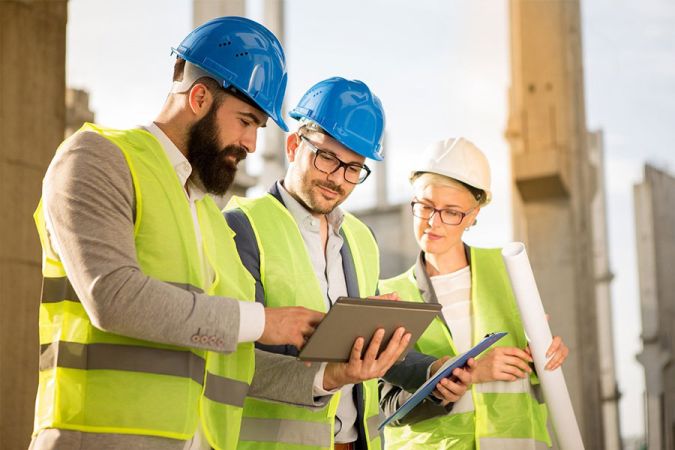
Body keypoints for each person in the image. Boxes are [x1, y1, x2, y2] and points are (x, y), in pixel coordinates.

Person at [31, 17, 329, 450]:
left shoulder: (209, 215)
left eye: (258, 128)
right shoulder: (97, 159)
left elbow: (229, 355)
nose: (250, 143)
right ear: (200, 96)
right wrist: (265, 321)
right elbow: (112, 297)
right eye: (245, 121)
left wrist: (327, 376)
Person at [225, 78, 473, 450]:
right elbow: (233, 358)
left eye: (353, 168)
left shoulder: (360, 237)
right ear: (294, 146)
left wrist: (431, 371)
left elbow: (371, 349)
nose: (337, 179)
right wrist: (330, 375)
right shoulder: (242, 227)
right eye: (327, 157)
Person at [379, 137, 570, 450]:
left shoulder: (509, 272)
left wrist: (545, 357)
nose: (432, 222)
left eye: (451, 212)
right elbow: (388, 406)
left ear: (473, 216)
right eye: (425, 206)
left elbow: (536, 375)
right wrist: (471, 372)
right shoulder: (390, 294)